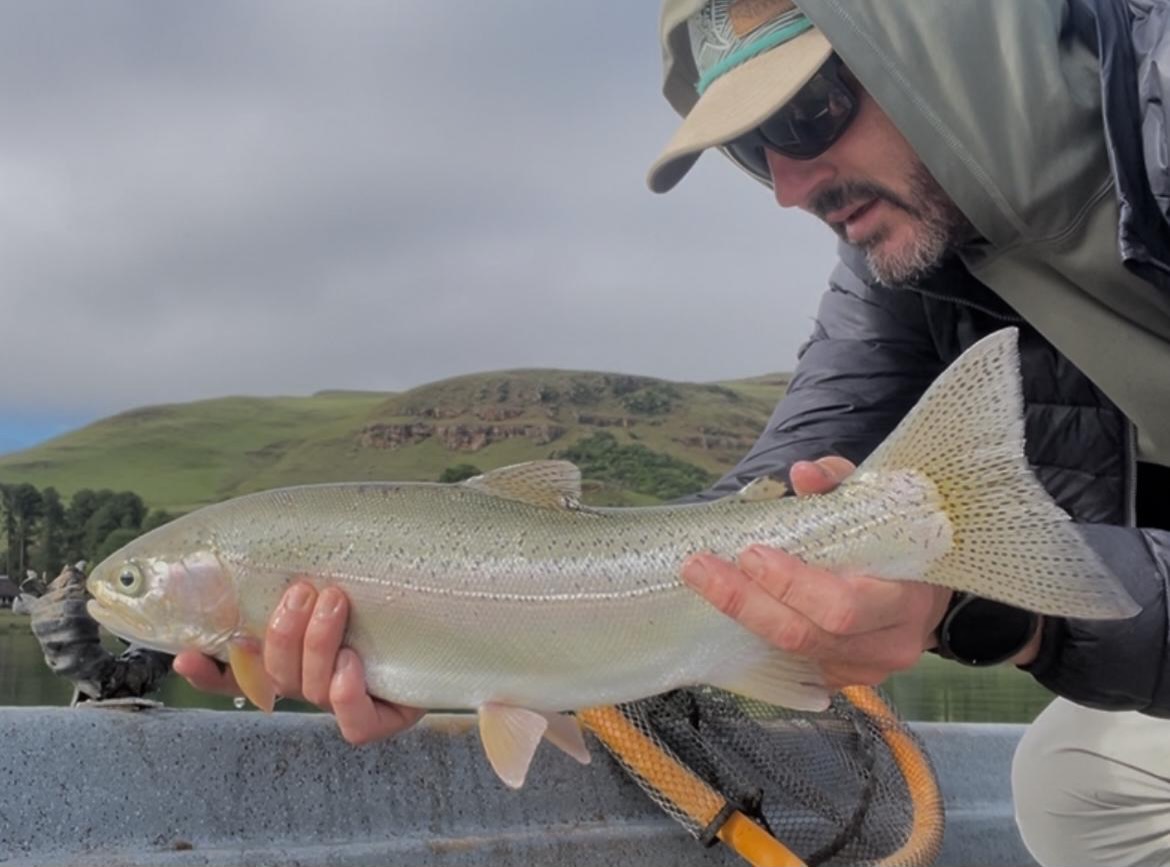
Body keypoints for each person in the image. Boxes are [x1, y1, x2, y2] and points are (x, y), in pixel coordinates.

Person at [180, 1, 1170, 863]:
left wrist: (1005, 610)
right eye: (754, 146)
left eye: (807, 112)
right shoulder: (902, 256)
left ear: (946, 40)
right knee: (1069, 785)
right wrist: (468, 636)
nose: (789, 185)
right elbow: (748, 508)